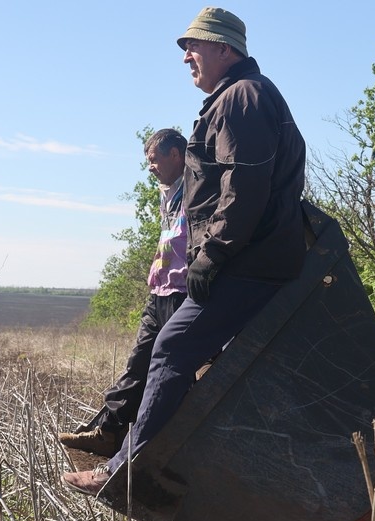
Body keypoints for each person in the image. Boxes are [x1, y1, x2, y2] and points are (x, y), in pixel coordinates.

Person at [63, 7, 307, 495]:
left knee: (172, 348)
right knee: (180, 353)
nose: (186, 57)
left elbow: (245, 186)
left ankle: (128, 473)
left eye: (193, 46)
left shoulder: (243, 97)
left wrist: (212, 254)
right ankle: (160, 460)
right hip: (252, 260)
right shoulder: (235, 98)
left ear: (225, 49)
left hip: (248, 264)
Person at [59, 128, 189, 457]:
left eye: (154, 159)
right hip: (160, 291)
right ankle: (108, 432)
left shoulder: (197, 185)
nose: (150, 167)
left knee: (167, 369)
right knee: (137, 363)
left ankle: (156, 446)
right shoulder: (168, 191)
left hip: (184, 292)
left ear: (176, 155)